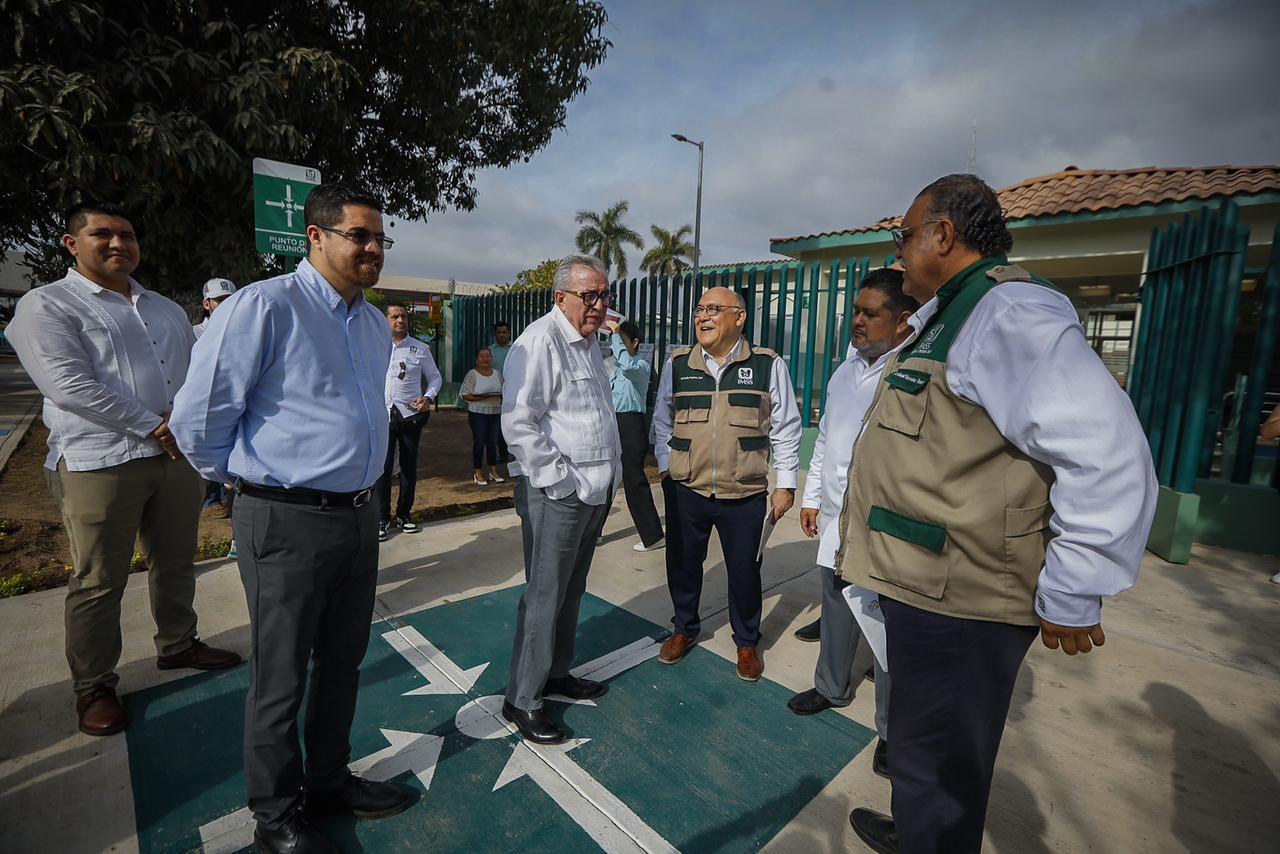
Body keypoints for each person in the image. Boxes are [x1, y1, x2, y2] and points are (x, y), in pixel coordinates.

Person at [843, 174, 1158, 854]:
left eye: (905, 237)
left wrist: (1074, 588)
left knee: (941, 771)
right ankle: (920, 831)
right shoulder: (952, 314)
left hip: (964, 600)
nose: (898, 254)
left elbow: (1106, 453)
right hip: (930, 587)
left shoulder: (1006, 313)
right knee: (925, 760)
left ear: (944, 236)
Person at [170, 183, 411, 854]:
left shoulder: (368, 321)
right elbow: (197, 421)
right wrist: (246, 484)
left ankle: (330, 781)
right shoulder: (263, 307)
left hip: (359, 518)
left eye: (379, 238)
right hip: (284, 518)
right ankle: (275, 813)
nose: (372, 248)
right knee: (281, 675)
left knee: (343, 662)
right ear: (316, 236)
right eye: (359, 235)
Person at [7, 202, 241, 738]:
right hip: (98, 461)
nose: (119, 244)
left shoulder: (164, 308)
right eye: (103, 235)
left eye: (128, 235)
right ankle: (94, 687)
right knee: (98, 579)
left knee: (176, 561)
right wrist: (154, 425)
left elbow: (193, 373)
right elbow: (69, 385)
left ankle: (179, 644)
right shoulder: (47, 306)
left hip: (173, 458)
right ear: (72, 244)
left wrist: (184, 424)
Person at [787, 268, 921, 782]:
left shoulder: (911, 374)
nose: (857, 322)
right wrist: (813, 497)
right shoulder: (846, 374)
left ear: (904, 320)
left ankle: (892, 731)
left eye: (871, 313)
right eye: (856, 312)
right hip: (838, 519)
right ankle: (831, 686)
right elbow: (826, 441)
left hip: (885, 527)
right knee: (837, 604)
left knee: (887, 632)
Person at [500, 254, 622, 745]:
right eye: (587, 295)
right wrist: (560, 482)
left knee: (572, 590)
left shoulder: (591, 343)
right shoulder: (539, 342)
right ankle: (522, 699)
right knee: (545, 596)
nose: (597, 304)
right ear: (561, 297)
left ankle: (556, 674)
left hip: (594, 491)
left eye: (603, 295)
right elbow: (518, 424)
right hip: (559, 494)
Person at [652, 286, 803, 682]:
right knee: (683, 565)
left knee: (744, 570)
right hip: (687, 488)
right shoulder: (679, 364)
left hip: (745, 492)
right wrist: (667, 465)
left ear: (739, 318)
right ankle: (684, 628)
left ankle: (747, 642)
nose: (703, 316)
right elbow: (662, 417)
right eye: (700, 309)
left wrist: (785, 484)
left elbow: (787, 427)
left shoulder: (769, 366)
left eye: (714, 309)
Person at [377, 303, 442, 540]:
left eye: (403, 316)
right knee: (381, 469)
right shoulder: (376, 347)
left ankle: (404, 515)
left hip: (409, 416)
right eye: (394, 316)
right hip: (382, 415)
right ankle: (382, 518)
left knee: (408, 467)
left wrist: (427, 397)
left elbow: (435, 378)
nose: (400, 320)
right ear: (386, 320)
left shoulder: (420, 348)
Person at [607, 319, 664, 551]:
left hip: (631, 426)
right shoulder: (612, 366)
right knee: (604, 480)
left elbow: (627, 365)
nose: (616, 347)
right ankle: (593, 532)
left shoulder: (640, 366)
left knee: (633, 482)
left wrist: (614, 335)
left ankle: (653, 536)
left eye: (621, 342)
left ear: (635, 343)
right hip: (613, 425)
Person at [194, 278, 239, 512]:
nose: (226, 304)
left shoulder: (244, 332)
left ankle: (225, 500)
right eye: (220, 300)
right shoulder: (195, 334)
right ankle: (210, 501)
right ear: (206, 303)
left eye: (230, 299)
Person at [460, 345, 504, 486]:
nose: (485, 359)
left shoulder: (497, 373)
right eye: (482, 356)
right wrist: (482, 398)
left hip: (495, 412)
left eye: (487, 356)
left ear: (491, 358)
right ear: (477, 359)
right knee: (479, 442)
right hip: (478, 413)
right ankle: (478, 472)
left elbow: (504, 391)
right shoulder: (472, 374)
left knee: (492, 443)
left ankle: (493, 470)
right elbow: (465, 394)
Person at [490, 320, 513, 462]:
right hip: (495, 392)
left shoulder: (516, 348)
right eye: (499, 332)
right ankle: (503, 452)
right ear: (495, 334)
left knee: (512, 422)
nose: (502, 335)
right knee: (497, 424)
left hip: (513, 391)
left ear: (509, 333)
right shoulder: (490, 351)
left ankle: (514, 451)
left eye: (504, 332)